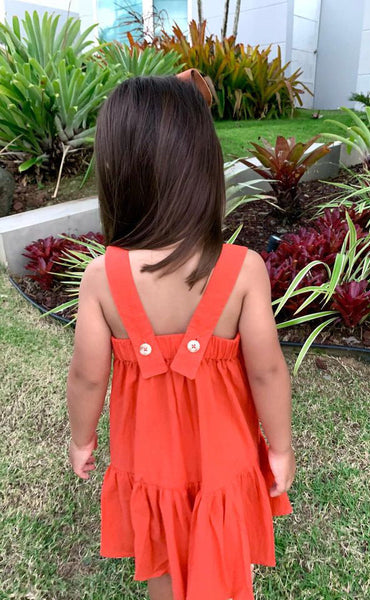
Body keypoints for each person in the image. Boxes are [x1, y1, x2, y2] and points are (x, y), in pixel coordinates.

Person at [67, 70, 295, 600]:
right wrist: (280, 448)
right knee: (225, 553)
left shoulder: (103, 277)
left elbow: (86, 374)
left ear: (117, 174)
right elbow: (266, 370)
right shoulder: (243, 270)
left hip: (149, 461)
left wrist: (81, 439)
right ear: (205, 170)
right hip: (227, 459)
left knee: (162, 555)